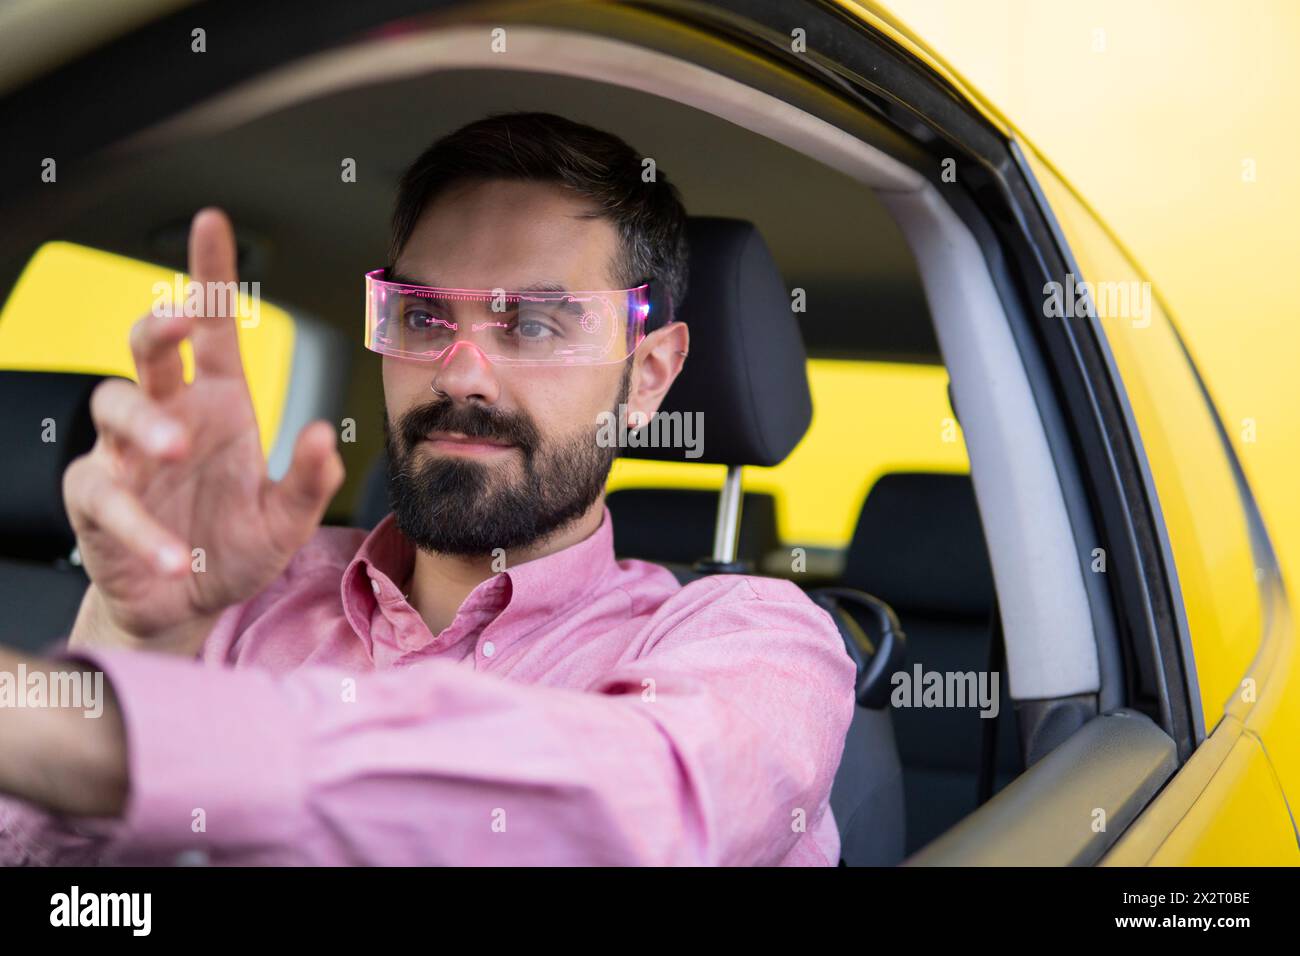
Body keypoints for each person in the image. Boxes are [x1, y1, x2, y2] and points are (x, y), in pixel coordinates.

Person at [0, 112, 855, 866]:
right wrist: (136, 634)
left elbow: (647, 819)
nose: (459, 376)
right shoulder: (244, 596)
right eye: (423, 317)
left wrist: (119, 740)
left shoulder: (758, 643)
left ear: (649, 378)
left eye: (532, 324)